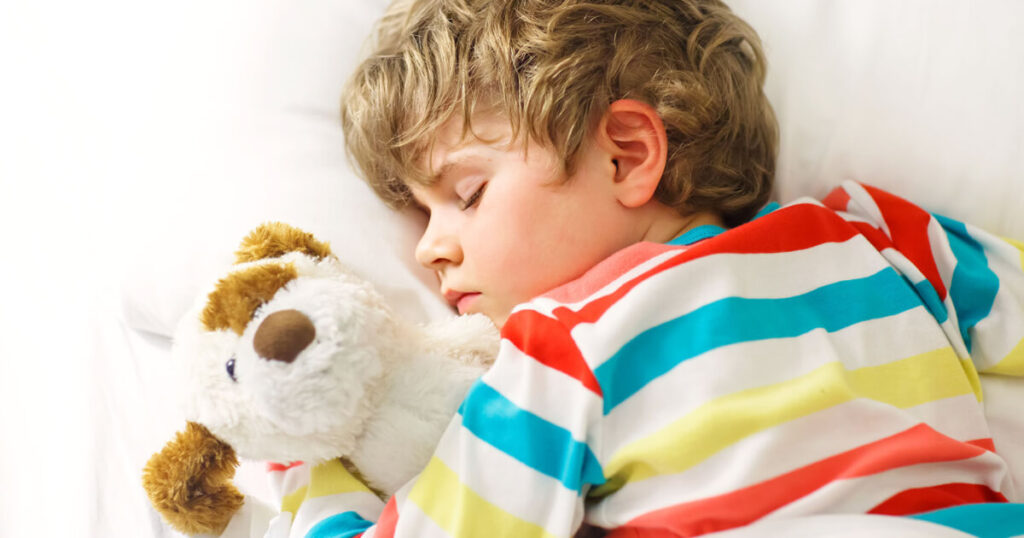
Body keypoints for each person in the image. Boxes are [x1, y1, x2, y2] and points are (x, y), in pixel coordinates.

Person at [281, 0, 1024, 536]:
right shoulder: (873, 232)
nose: (426, 249)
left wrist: (313, 476)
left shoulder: (562, 348)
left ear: (626, 154)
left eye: (466, 195)